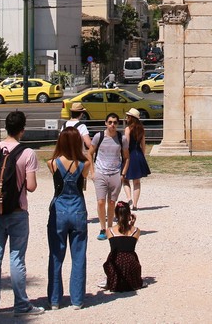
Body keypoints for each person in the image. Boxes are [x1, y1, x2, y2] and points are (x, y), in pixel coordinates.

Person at [0, 110, 43, 316]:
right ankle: (21, 304)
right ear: (22, 130)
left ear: (6, 127)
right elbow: (32, 187)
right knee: (16, 258)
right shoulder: (27, 153)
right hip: (17, 210)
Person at [46, 126, 90, 310]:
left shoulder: (52, 163)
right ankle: (77, 299)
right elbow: (84, 183)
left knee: (56, 255)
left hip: (59, 209)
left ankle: (55, 299)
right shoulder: (84, 164)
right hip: (78, 208)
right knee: (78, 256)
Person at [91, 113, 129, 241]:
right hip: (100, 172)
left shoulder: (121, 138)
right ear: (106, 123)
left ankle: (110, 227)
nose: (112, 125)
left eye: (115, 122)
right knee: (101, 202)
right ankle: (102, 228)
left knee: (112, 203)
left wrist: (123, 174)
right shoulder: (99, 136)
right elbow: (89, 153)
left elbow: (126, 157)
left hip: (115, 173)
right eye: (110, 122)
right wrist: (92, 171)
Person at [102, 200, 143, 292]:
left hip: (115, 265)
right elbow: (127, 237)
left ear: (116, 214)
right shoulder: (136, 230)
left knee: (109, 261)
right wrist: (132, 224)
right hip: (131, 265)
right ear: (129, 214)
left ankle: (110, 280)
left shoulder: (109, 231)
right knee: (132, 258)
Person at [122, 108, 150, 210]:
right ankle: (135, 204)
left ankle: (129, 198)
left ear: (131, 118)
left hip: (130, 155)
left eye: (128, 116)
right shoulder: (141, 129)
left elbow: (127, 145)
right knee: (137, 182)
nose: (126, 118)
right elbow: (143, 145)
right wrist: (143, 157)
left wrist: (124, 157)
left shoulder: (128, 129)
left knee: (125, 179)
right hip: (139, 154)